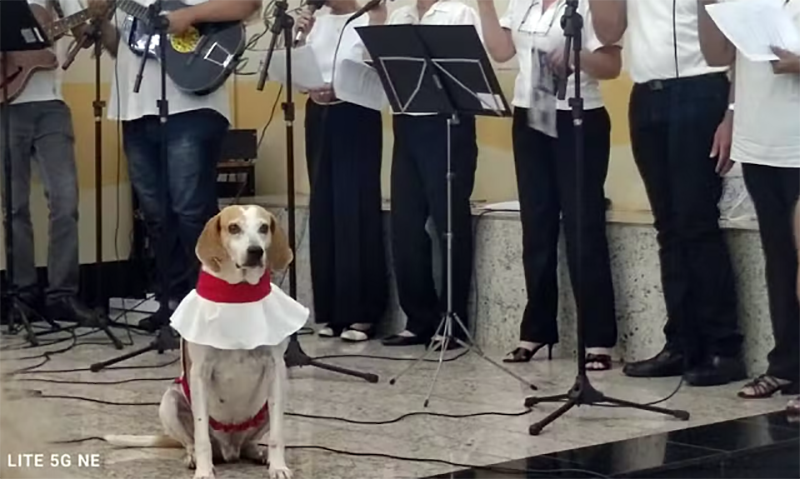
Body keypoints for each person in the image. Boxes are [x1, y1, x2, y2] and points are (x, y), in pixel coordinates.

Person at [591, 0, 745, 386]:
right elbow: (608, 31)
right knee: (668, 228)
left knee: (696, 222)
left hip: (700, 88)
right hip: (646, 95)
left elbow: (734, 43)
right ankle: (681, 342)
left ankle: (724, 349)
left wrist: (732, 111)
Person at [87, 0, 261, 331]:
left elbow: (248, 5)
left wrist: (191, 15)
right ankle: (173, 301)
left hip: (190, 106)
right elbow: (122, 48)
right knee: (156, 214)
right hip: (135, 109)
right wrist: (101, 24)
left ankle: (214, 301)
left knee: (191, 211)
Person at [475, 0, 621, 370]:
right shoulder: (523, 3)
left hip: (579, 116)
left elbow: (611, 66)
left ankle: (598, 339)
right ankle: (537, 329)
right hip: (530, 113)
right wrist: (485, 5)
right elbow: (501, 50)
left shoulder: (588, 5)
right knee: (536, 225)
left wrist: (577, 57)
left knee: (582, 225)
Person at [697, 0, 800, 399]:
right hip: (759, 142)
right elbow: (722, 56)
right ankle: (787, 365)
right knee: (778, 257)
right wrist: (731, 113)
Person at [380, 0, 480, 348]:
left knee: (449, 224)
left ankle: (453, 320)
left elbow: (470, 76)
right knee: (405, 225)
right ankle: (418, 319)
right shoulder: (399, 16)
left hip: (447, 126)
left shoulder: (458, 13)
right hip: (407, 124)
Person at [295, 0, 389, 342]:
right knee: (324, 208)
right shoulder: (316, 21)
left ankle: (362, 313)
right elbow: (300, 73)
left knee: (355, 207)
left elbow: (378, 69)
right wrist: (299, 37)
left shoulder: (371, 15)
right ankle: (330, 311)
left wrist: (377, 25)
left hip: (356, 114)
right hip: (318, 116)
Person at [0, 0, 98, 325]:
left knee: (65, 202)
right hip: (7, 106)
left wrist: (94, 21)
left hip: (52, 107)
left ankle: (62, 295)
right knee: (14, 208)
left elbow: (81, 33)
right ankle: (22, 295)